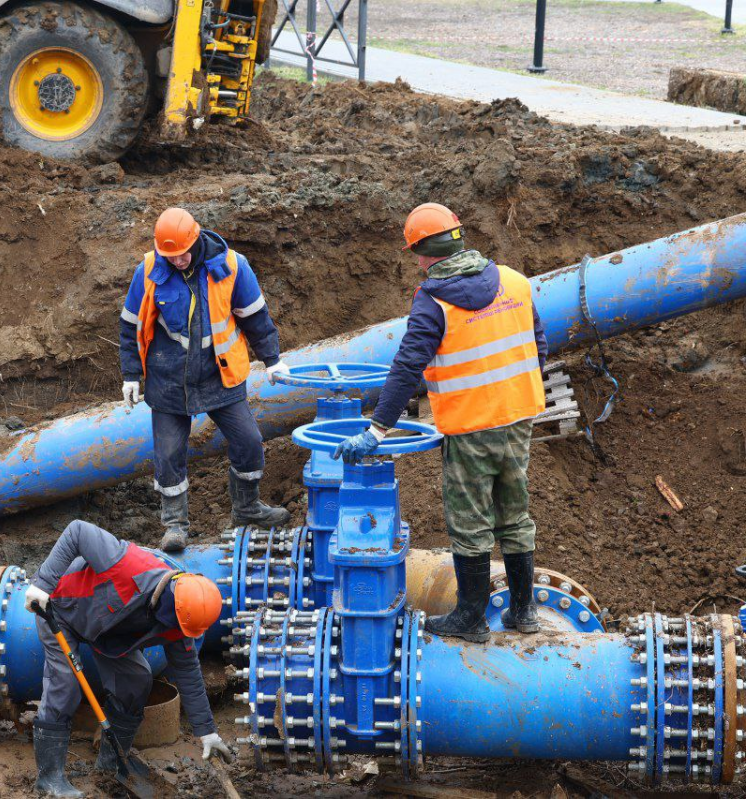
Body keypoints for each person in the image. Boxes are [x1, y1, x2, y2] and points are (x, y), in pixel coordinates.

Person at [331, 203, 547, 643]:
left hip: (471, 426)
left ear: (424, 253)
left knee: (471, 521)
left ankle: (470, 618)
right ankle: (524, 612)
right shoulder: (514, 281)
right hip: (520, 416)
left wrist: (376, 430)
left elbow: (407, 366)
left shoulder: (434, 301)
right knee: (515, 512)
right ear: (458, 238)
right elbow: (538, 344)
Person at [119, 207, 291, 553]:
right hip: (168, 379)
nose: (178, 261)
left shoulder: (230, 266)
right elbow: (130, 324)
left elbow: (254, 316)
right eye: (171, 256)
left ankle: (246, 509)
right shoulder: (150, 270)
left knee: (249, 441)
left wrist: (272, 359)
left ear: (196, 239)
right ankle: (175, 526)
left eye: (182, 253)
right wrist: (131, 375)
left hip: (219, 374)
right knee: (168, 455)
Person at [23, 520, 231, 798]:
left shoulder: (180, 620)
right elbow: (77, 530)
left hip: (107, 631)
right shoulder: (126, 564)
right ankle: (48, 779)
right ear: (169, 605)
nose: (180, 636)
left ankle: (111, 766)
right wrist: (43, 584)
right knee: (66, 684)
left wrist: (207, 732)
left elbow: (189, 672)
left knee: (136, 680)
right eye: (179, 628)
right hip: (61, 609)